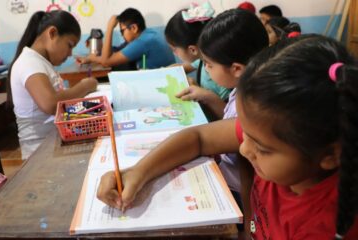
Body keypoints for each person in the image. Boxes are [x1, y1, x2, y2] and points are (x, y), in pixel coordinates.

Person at [97, 35, 358, 239]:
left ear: (330, 154)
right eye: (245, 133)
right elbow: (198, 137)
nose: (243, 148)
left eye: (263, 149)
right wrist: (139, 172)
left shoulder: (323, 227)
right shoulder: (276, 136)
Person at [97, 7, 268, 234]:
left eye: (208, 64)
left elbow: (247, 182)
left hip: (237, 199)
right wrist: (136, 172)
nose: (204, 69)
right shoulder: (243, 93)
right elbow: (199, 138)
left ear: (236, 69)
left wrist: (249, 226)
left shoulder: (261, 111)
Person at [8, 10, 98, 160]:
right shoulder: (29, 62)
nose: (70, 54)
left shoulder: (40, 62)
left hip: (54, 145)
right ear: (52, 33)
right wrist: (84, 86)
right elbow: (50, 104)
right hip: (39, 155)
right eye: (69, 45)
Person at [164, 7, 232, 120]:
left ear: (192, 50)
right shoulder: (200, 60)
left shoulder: (223, 71)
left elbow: (230, 117)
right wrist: (159, 72)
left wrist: (205, 95)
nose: (173, 53)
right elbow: (180, 68)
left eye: (174, 49)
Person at [76, 8, 175, 69]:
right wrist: (94, 58)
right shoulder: (150, 34)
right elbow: (116, 51)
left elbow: (106, 62)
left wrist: (110, 27)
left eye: (122, 31)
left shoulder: (143, 42)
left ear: (134, 28)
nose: (122, 35)